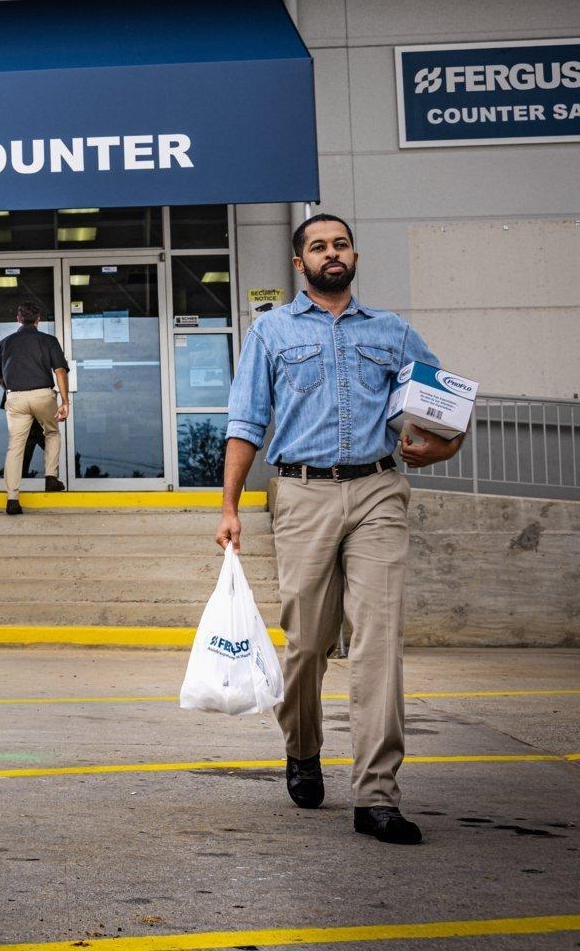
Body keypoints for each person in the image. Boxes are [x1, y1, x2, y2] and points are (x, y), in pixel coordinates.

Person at [218, 213, 465, 846]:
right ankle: (302, 749)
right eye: (319, 246)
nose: (333, 253)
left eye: (341, 244)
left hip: (380, 489)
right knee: (307, 642)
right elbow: (246, 424)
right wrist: (229, 510)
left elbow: (446, 410)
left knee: (378, 638)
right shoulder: (270, 332)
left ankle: (377, 795)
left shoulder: (393, 332)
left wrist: (440, 450)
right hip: (302, 494)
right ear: (300, 263)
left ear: (354, 255)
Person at [0, 301, 70, 514]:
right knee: (52, 432)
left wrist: (15, 388)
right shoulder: (48, 340)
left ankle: (12, 499)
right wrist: (65, 401)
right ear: (38, 320)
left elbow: (0, 379)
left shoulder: (4, 343)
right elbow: (60, 371)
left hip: (15, 397)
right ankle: (51, 478)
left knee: (15, 447)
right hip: (43, 395)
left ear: (18, 319)